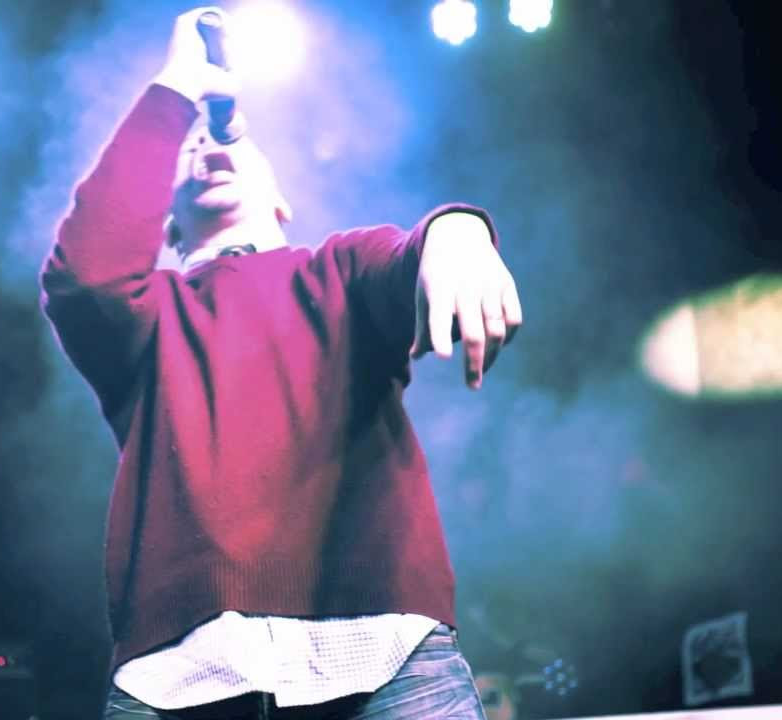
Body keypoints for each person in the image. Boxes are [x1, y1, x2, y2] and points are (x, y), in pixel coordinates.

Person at [40, 7, 522, 719]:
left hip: (386, 650)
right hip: (176, 672)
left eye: (229, 143)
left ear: (280, 198)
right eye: (188, 149)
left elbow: (407, 256)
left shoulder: (338, 268)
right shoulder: (149, 317)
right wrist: (176, 89)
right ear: (166, 224)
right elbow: (85, 276)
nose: (207, 148)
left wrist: (457, 229)